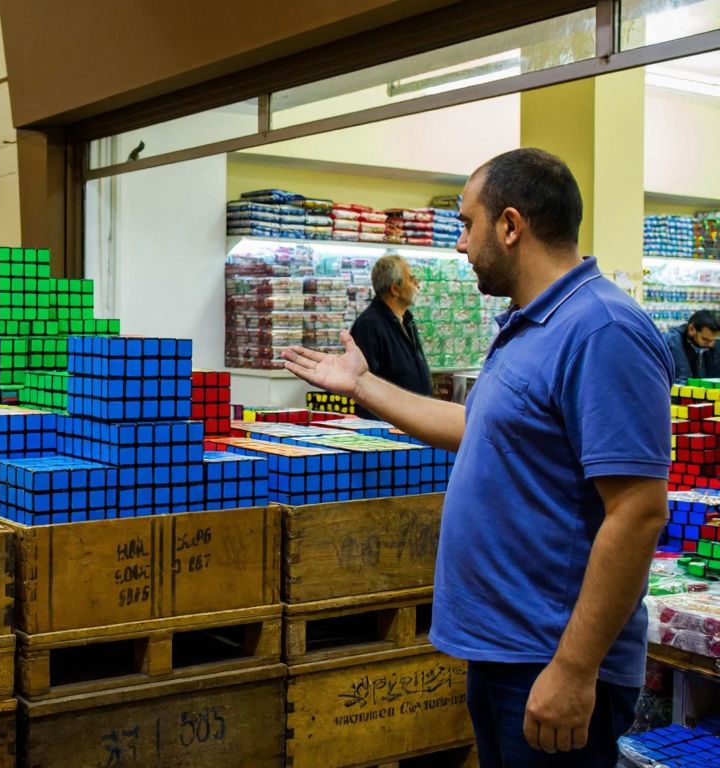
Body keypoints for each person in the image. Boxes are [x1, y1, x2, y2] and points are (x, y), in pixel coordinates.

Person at [282, 148, 669, 767]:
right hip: (503, 652)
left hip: (549, 658)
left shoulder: (602, 331)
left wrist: (572, 668)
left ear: (511, 226)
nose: (459, 244)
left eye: (466, 224)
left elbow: (638, 512)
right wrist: (361, 386)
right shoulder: (523, 324)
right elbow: (474, 427)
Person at [348, 254, 432, 418]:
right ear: (395, 289)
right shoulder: (369, 325)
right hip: (389, 428)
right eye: (411, 279)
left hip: (416, 421)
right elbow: (364, 386)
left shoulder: (407, 320)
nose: (418, 284)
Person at [664, 309, 720, 385]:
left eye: (714, 340)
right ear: (692, 329)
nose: (711, 344)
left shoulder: (713, 344)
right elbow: (681, 380)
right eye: (705, 339)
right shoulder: (673, 342)